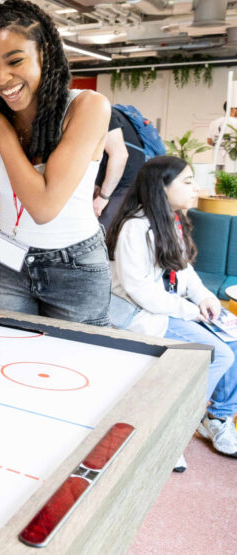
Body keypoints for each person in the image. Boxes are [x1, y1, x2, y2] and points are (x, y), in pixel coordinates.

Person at [0, 0, 112, 333]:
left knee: (73, 370)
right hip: (8, 261)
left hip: (75, 266)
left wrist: (2, 130)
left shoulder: (87, 108)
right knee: (0, 358)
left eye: (14, 61)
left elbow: (44, 206)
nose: (1, 78)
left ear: (44, 52)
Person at [107, 156, 237, 461]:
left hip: (169, 308)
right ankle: (169, 428)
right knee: (219, 353)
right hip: (139, 314)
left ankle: (217, 418)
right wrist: (192, 311)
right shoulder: (134, 228)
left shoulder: (169, 220)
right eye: (188, 182)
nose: (196, 189)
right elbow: (142, 292)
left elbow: (184, 271)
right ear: (161, 188)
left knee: (234, 338)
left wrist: (205, 298)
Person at [93, 106, 145, 228]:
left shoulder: (100, 111)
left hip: (123, 185)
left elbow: (120, 155)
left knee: (104, 232)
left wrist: (103, 197)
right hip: (116, 184)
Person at [207, 102, 237, 173]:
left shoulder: (214, 122)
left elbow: (209, 141)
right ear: (233, 109)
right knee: (231, 180)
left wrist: (221, 144)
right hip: (232, 159)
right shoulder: (235, 122)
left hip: (217, 157)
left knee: (218, 180)